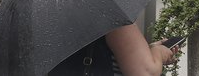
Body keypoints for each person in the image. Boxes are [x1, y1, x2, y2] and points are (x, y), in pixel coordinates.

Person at [49, 24, 180, 76]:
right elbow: (145, 72)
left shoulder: (50, 13)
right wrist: (158, 53)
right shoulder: (107, 7)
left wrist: (148, 50)